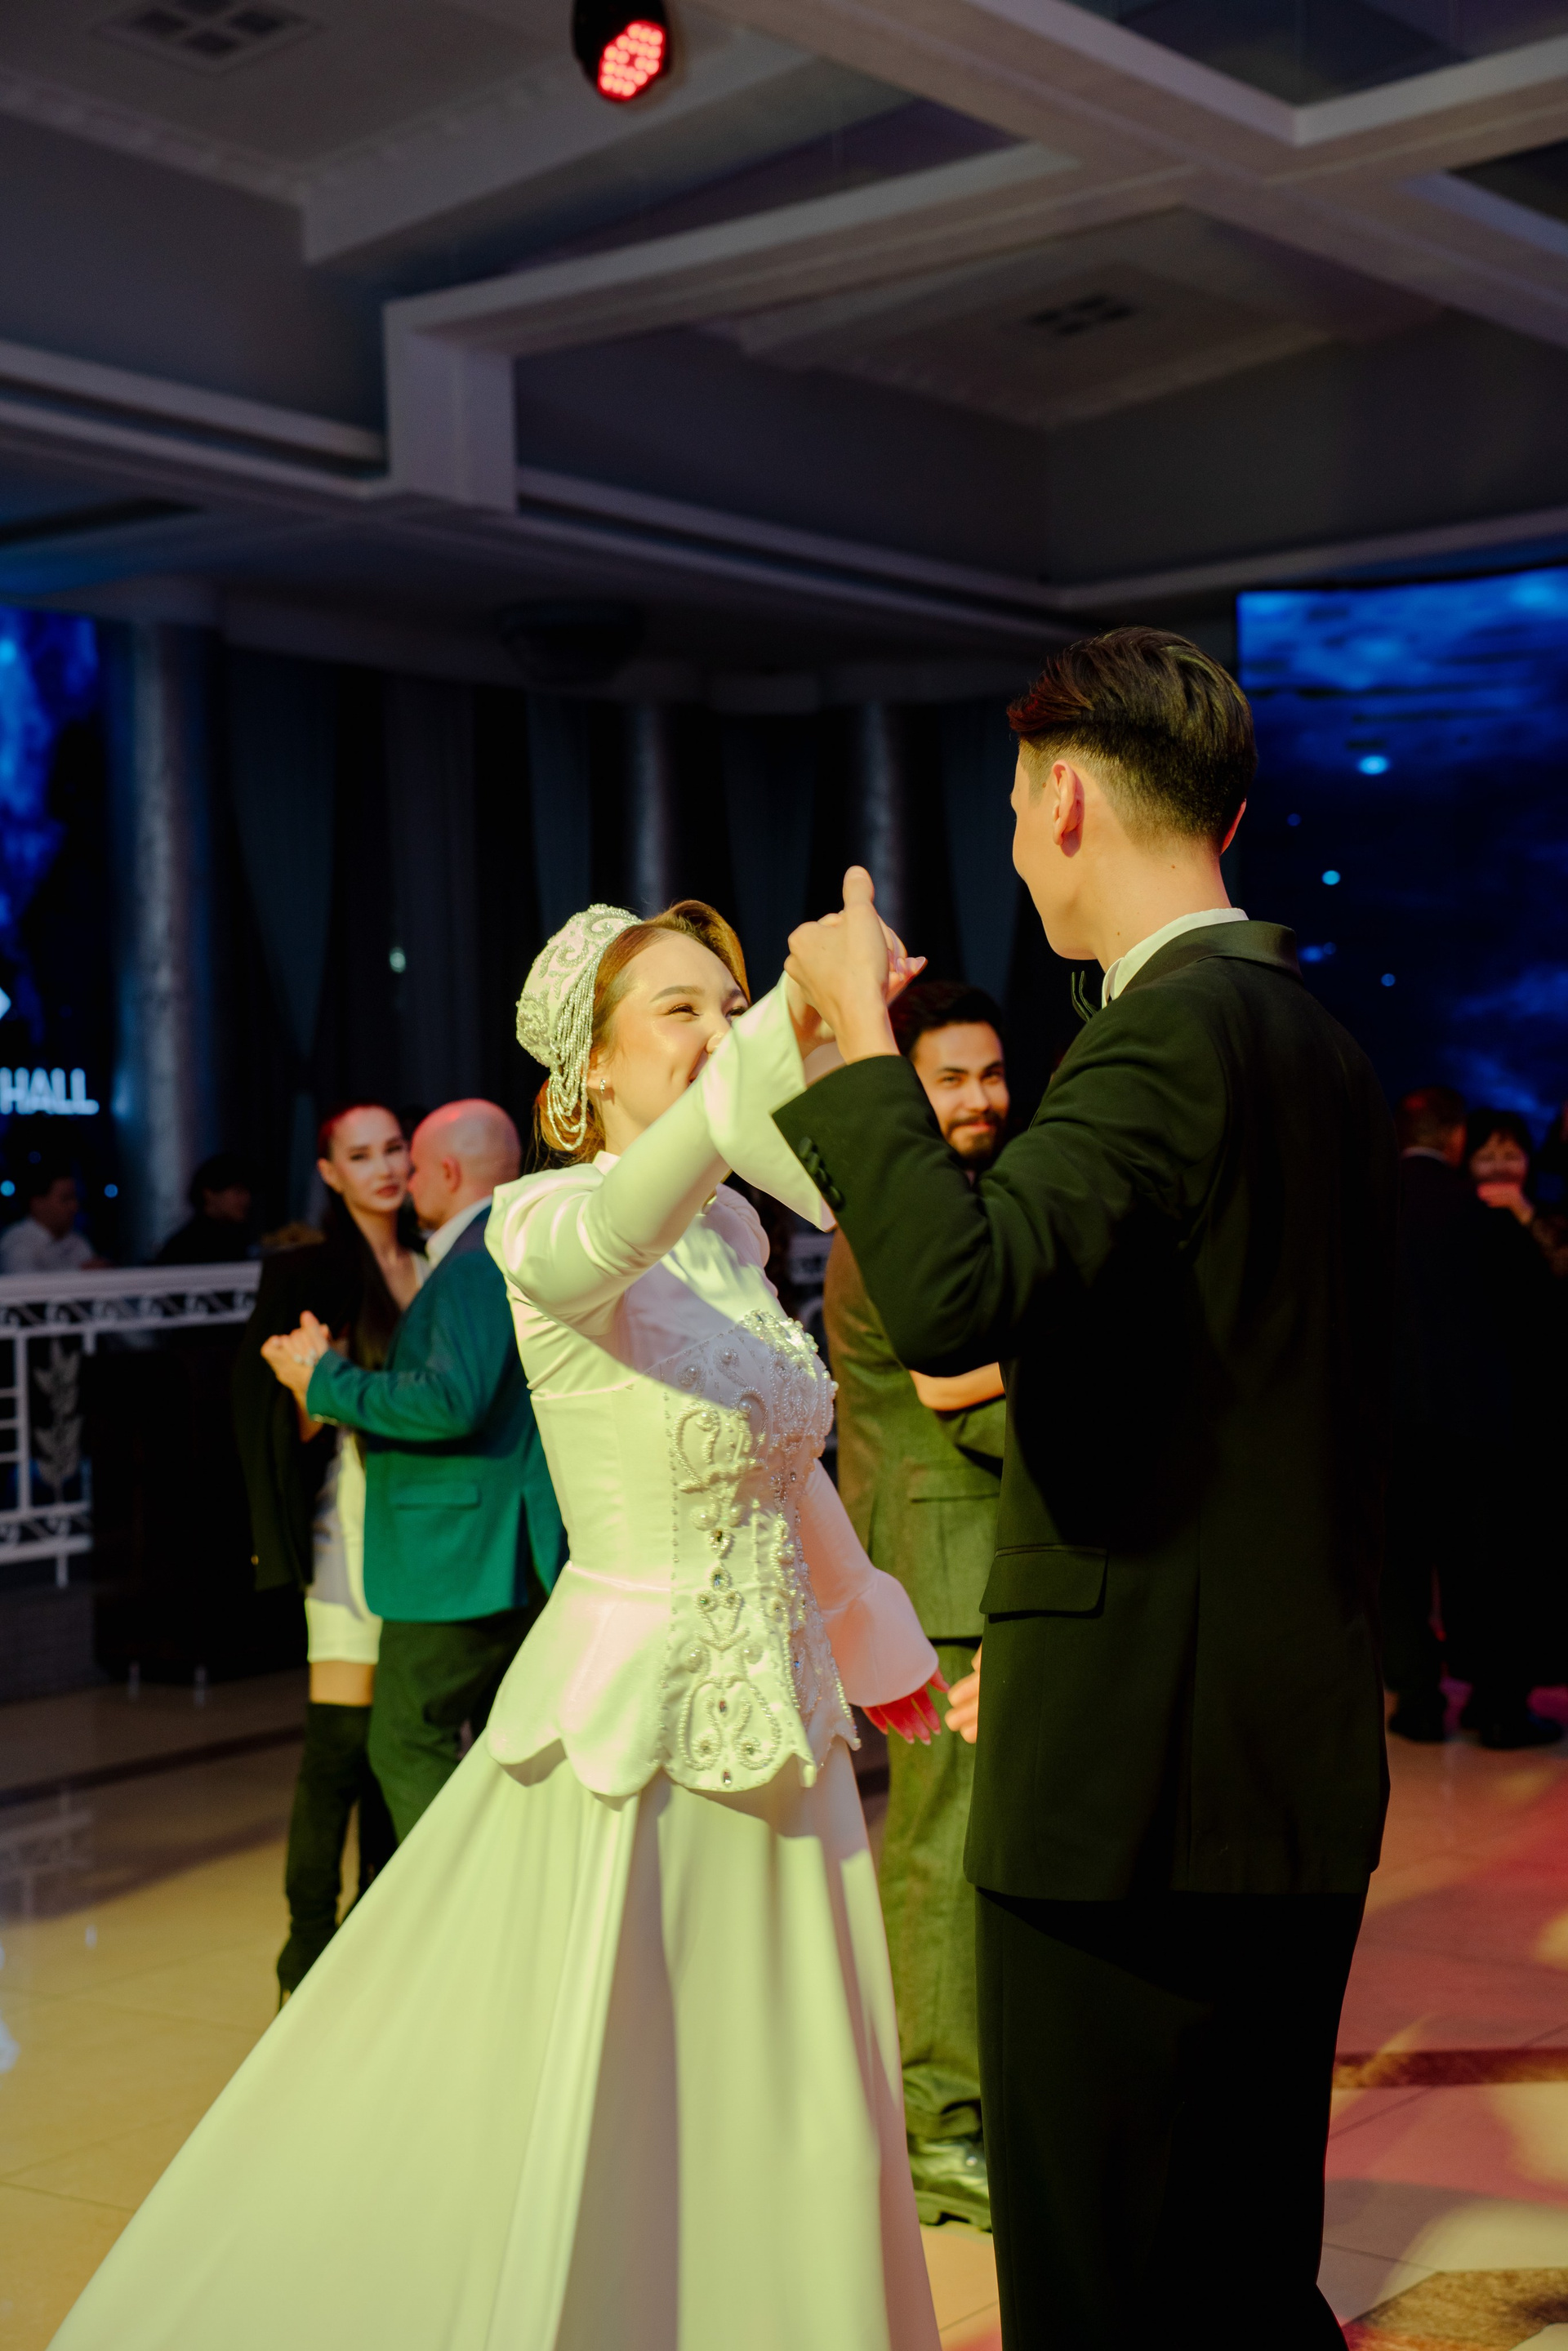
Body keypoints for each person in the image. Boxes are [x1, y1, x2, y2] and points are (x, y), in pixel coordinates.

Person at [50, 898, 945, 2351]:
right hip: (633, 1728)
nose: (721, 1032)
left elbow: (784, 1463)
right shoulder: (543, 1222)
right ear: (587, 1069)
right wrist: (792, 1020)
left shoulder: (730, 1227)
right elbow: (625, 1216)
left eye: (733, 1006)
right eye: (681, 1009)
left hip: (781, 1724)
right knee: (612, 2090)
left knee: (782, 2092)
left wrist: (871, 1639)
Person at [775, 629, 1395, 2351]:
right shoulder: (1323, 1047)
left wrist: (859, 1043)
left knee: (1102, 2280)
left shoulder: (1161, 1038)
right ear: (1233, 812)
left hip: (1131, 1787)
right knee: (1241, 2264)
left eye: (1009, 808)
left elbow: (954, 1292)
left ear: (1062, 799)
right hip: (1286, 1751)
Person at [824, 977, 1009, 2230]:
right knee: (943, 1855)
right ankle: (939, 2126)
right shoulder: (900, 1214)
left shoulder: (949, 1201)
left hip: (965, 1561)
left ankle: (969, 2100)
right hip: (940, 1576)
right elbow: (972, 1397)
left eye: (992, 1072)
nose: (981, 1097)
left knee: (975, 1849)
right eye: (950, 1077)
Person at [262, 1100, 568, 1842]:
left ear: (449, 1172)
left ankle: (459, 1898)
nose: (403, 1177)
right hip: (506, 1540)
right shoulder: (521, 1243)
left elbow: (452, 1401)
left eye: (412, 1161)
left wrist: (325, 1379)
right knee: (501, 1741)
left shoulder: (470, 1263)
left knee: (404, 1739)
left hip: (457, 1553)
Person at [232, 1105, 419, 1995]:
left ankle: (378, 1939)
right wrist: (321, 1377)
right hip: (350, 1523)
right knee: (339, 1746)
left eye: (394, 1148)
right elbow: (281, 1417)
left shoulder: (437, 1259)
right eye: (361, 1154)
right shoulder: (309, 1270)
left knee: (400, 1741)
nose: (384, 1167)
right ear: (331, 1171)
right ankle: (305, 1952)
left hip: (433, 1527)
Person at [0, 1161, 105, 1274]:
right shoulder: (16, 1243)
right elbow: (26, 1282)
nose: (75, 1206)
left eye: (75, 1198)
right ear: (38, 1204)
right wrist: (81, 1273)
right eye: (66, 1199)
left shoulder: (77, 1241)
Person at [155, 1151, 256, 1264]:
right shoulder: (188, 1246)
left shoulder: (237, 1239)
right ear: (209, 1194)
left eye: (248, 1192)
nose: (247, 1199)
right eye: (238, 1191)